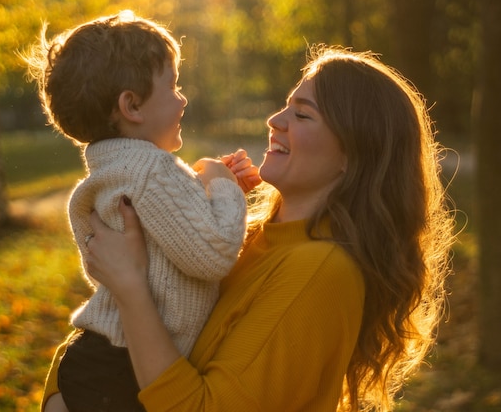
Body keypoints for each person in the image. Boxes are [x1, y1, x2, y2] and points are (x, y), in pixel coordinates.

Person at [41, 45, 455, 411]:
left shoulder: (320, 272)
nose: (275, 120)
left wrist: (130, 286)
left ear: (355, 153)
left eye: (302, 114)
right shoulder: (258, 240)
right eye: (285, 105)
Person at [26, 11, 261, 412]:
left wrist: (216, 193)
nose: (183, 98)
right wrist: (223, 185)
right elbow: (214, 253)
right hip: (122, 371)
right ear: (131, 105)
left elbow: (163, 243)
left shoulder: (114, 171)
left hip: (104, 363)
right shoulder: (150, 171)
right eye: (173, 85)